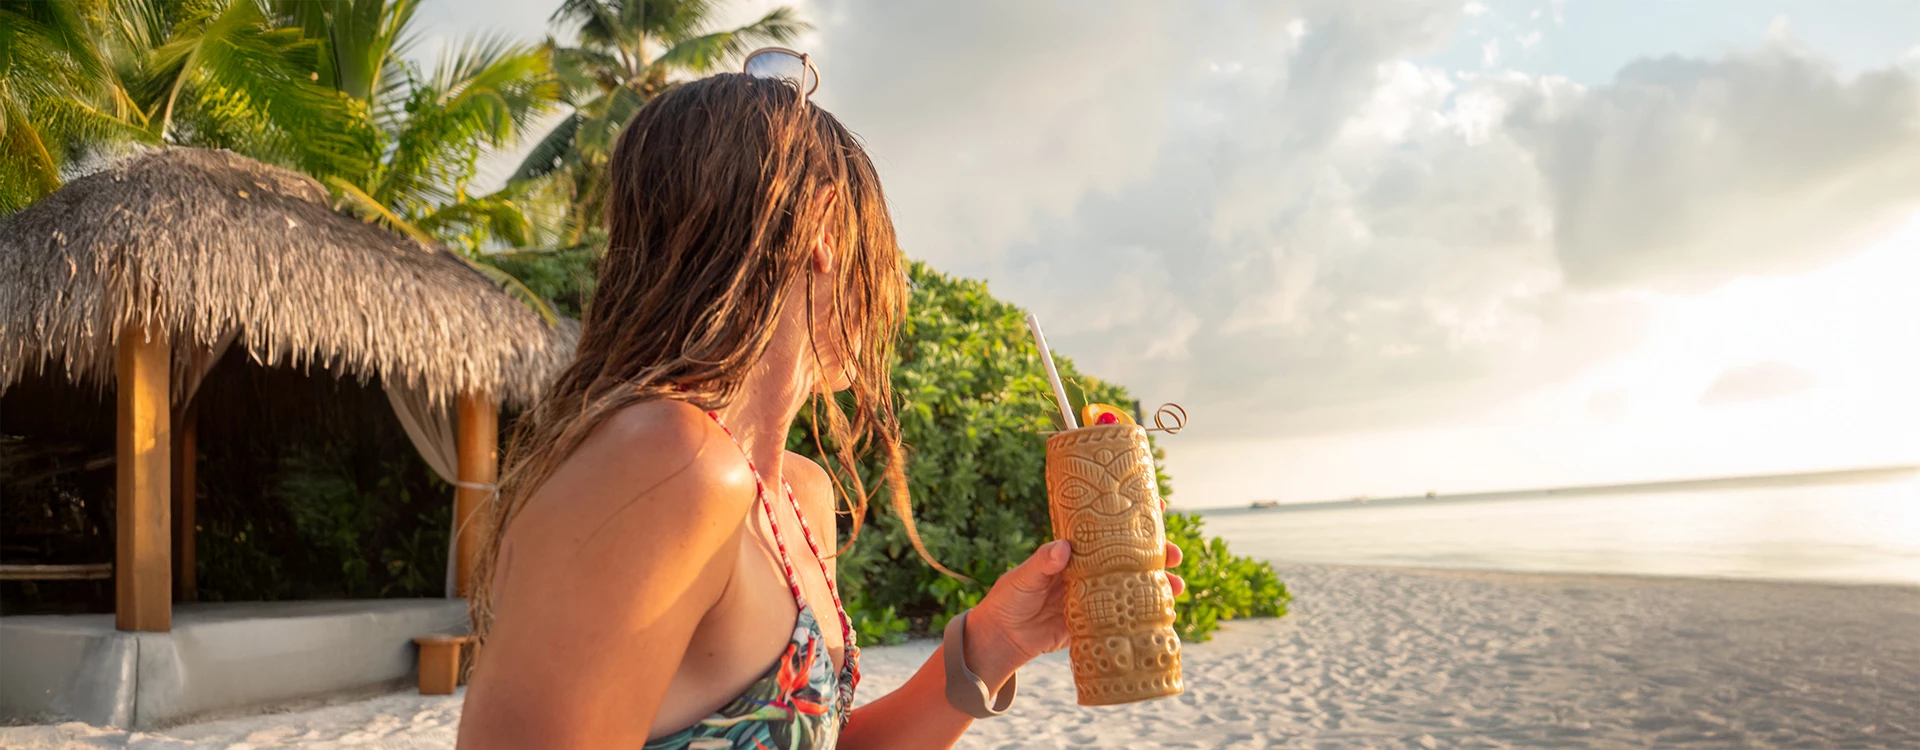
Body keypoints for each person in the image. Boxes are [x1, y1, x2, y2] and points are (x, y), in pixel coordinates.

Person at [454, 49, 1185, 749]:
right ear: (828, 230)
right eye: (881, 249)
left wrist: (996, 641)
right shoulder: (665, 465)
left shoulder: (799, 493)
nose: (892, 286)